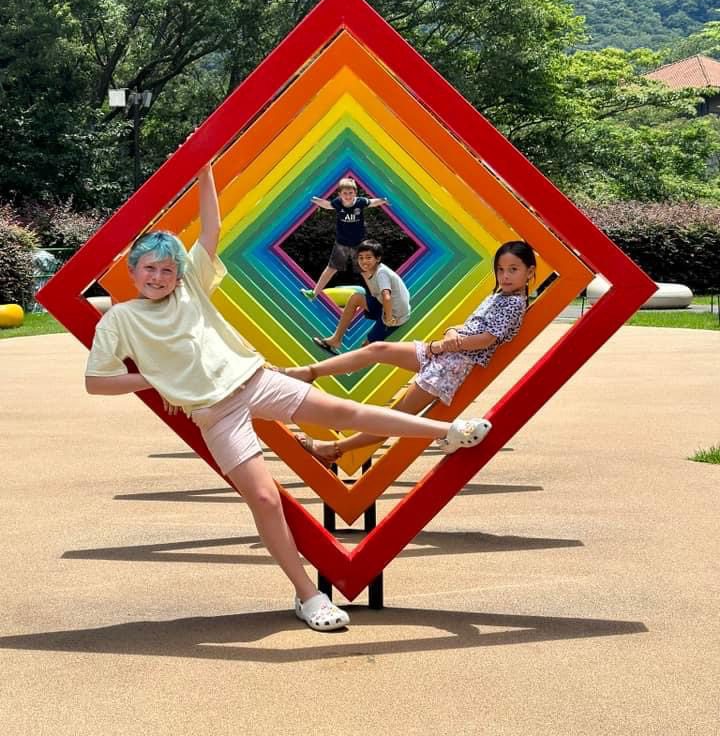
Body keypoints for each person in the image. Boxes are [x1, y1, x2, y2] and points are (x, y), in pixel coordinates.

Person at [84, 164, 493, 632]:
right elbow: (97, 382)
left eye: (166, 269)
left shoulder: (190, 288)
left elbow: (212, 228)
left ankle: (447, 431)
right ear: (132, 272)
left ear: (178, 275)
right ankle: (307, 595)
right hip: (215, 414)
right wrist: (152, 380)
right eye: (148, 269)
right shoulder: (119, 320)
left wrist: (202, 170)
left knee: (347, 411)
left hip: (254, 379)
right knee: (263, 497)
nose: (157, 276)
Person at [287, 241, 536, 467]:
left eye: (513, 269)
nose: (505, 276)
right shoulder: (500, 296)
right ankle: (309, 372)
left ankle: (333, 448)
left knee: (395, 417)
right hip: (444, 353)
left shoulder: (513, 303)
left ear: (530, 272)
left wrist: (448, 343)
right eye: (501, 269)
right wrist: (451, 332)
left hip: (451, 365)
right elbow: (474, 327)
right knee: (377, 349)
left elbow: (486, 339)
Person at [312, 239, 411, 355]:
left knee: (367, 347)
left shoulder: (381, 273)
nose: (364, 261)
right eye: (361, 257)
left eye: (368, 257)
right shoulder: (372, 272)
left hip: (394, 316)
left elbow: (387, 297)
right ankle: (336, 340)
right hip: (385, 307)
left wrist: (389, 319)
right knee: (356, 298)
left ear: (378, 259)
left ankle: (349, 366)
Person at [308, 177, 389, 298]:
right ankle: (314, 293)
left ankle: (376, 296)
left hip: (359, 244)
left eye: (350, 193)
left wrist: (383, 200)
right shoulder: (338, 203)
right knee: (331, 269)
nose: (348, 196)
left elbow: (372, 202)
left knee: (365, 271)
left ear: (355, 193)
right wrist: (314, 199)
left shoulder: (360, 202)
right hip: (342, 243)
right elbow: (327, 205)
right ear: (340, 194)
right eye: (345, 193)